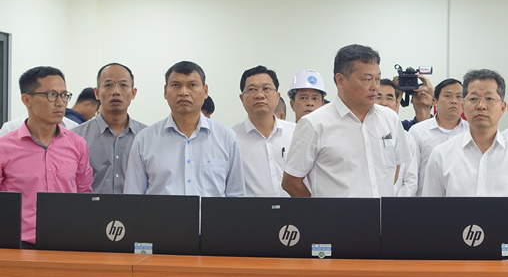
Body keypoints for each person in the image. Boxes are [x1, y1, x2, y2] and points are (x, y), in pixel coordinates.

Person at [282, 44, 410, 197]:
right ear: (340, 80)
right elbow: (291, 182)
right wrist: (320, 213)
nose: (375, 86)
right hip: (336, 220)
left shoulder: (390, 119)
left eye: (378, 79)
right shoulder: (314, 124)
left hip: (382, 218)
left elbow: (394, 168)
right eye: (367, 79)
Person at [0, 66, 93, 247]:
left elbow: (84, 196)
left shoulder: (77, 144)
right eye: (52, 95)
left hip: (68, 243)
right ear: (27, 99)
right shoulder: (4, 147)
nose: (60, 103)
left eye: (64, 95)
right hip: (19, 245)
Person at [124, 61, 245, 197]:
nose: (183, 92)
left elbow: (236, 195)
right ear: (165, 91)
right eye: (176, 85)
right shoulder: (144, 139)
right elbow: (133, 197)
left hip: (212, 219)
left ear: (205, 91)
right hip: (160, 219)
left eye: (192, 85)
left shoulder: (226, 137)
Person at [423, 69, 508, 197]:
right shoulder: (441, 155)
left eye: (489, 98)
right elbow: (432, 213)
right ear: (463, 106)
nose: (481, 105)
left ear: (502, 108)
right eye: (474, 99)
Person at [72, 63, 147, 194]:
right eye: (108, 85)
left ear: (133, 93)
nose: (116, 92)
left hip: (136, 212)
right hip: (91, 212)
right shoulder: (76, 137)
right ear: (97, 93)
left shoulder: (146, 137)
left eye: (123, 85)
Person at [233, 66, 296, 197]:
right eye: (252, 89)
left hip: (294, 214)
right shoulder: (231, 137)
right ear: (241, 98)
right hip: (252, 215)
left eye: (266, 89)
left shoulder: (296, 133)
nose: (260, 95)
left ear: (278, 96)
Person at [409, 78, 469, 196]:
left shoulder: (471, 131)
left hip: (462, 204)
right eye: (448, 96)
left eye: (459, 97)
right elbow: (411, 175)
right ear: (435, 101)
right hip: (427, 204)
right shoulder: (418, 131)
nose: (454, 101)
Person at [377, 78, 418, 196]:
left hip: (396, 206)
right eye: (378, 97)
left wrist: (394, 206)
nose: (383, 103)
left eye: (389, 98)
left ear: (397, 102)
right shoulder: (362, 132)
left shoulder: (407, 138)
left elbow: (411, 181)